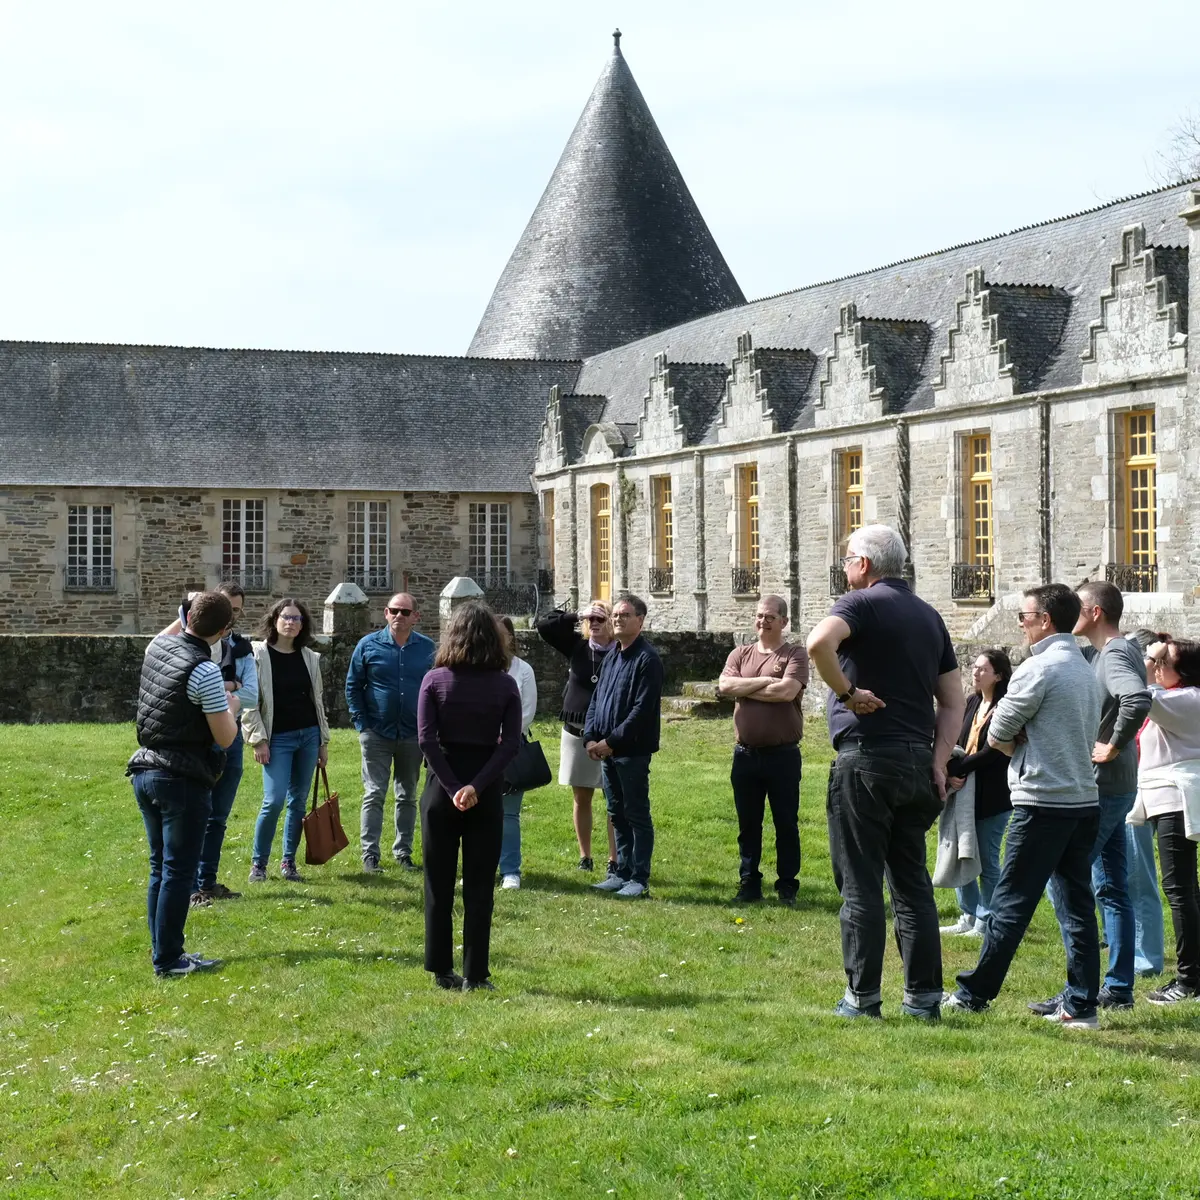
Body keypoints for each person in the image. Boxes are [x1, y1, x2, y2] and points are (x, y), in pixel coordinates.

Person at [806, 524, 963, 1021]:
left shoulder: (861, 605)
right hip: (917, 761)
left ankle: (862, 997)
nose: (845, 567)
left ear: (865, 565)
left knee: (860, 883)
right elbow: (954, 700)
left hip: (868, 758)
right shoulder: (929, 615)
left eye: (847, 558)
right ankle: (922, 1000)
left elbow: (817, 645)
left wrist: (849, 694)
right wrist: (939, 760)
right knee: (911, 884)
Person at [947, 584, 1103, 1028]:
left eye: (1024, 615)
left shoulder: (1038, 669)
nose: (1020, 622)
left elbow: (998, 734)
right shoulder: (1084, 668)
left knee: (1012, 902)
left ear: (1045, 620)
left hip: (1042, 802)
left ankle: (974, 995)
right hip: (1082, 800)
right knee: (1076, 905)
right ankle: (1081, 1004)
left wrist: (1021, 741)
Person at [1027, 581, 1149, 1015]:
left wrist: (1113, 744)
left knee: (1064, 882)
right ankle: (1117, 987)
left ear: (1095, 612)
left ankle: (1079, 989)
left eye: (1077, 607)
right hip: (1116, 786)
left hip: (1105, 785)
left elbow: (1136, 698)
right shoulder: (1110, 651)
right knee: (1111, 888)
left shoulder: (1114, 653)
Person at [127, 590, 240, 977]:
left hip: (145, 770)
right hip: (182, 778)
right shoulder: (205, 671)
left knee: (160, 867)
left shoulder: (157, 649)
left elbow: (173, 631)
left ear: (187, 617)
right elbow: (224, 738)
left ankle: (162, 951)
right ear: (226, 630)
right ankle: (170, 960)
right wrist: (234, 709)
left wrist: (190, 606)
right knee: (177, 872)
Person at [417, 600, 522, 991]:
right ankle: (475, 974)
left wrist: (452, 786)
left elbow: (426, 740)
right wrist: (475, 787)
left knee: (438, 881)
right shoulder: (505, 684)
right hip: (485, 785)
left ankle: (441, 968)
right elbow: (510, 744)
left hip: (441, 785)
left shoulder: (435, 680)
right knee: (480, 883)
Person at [151, 584, 259, 907]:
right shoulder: (191, 651)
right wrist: (230, 689)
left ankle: (206, 881)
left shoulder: (240, 649)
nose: (231, 615)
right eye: (225, 607)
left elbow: (254, 693)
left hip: (225, 741)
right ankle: (188, 890)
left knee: (217, 816)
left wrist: (230, 696)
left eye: (237, 610)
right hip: (196, 746)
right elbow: (157, 648)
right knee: (193, 817)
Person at [717, 594, 809, 906]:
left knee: (786, 823)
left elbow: (786, 692)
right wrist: (764, 680)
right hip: (745, 755)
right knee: (748, 824)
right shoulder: (740, 653)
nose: (763, 621)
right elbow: (725, 686)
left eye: (770, 616)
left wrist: (747, 687)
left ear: (784, 621)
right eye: (759, 616)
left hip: (782, 755)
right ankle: (749, 883)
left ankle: (787, 886)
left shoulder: (795, 653)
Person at [1129, 638, 1200, 1004]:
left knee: (1179, 890)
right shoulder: (1179, 697)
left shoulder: (1187, 699)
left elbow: (1141, 695)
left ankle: (1189, 980)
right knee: (1185, 889)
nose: (1156, 667)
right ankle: (1193, 975)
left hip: (1175, 801)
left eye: (1162, 661)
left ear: (1183, 670)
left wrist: (1144, 659)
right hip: (1168, 800)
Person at [345, 592, 436, 874]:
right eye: (394, 610)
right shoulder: (368, 645)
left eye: (405, 612)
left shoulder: (427, 649)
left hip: (412, 733)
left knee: (407, 795)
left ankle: (403, 852)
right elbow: (353, 686)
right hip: (377, 733)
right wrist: (362, 724)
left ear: (415, 617)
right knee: (374, 793)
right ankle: (370, 855)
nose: (399, 616)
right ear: (385, 613)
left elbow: (436, 690)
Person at [241, 598, 330, 883]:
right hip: (276, 739)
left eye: (297, 619)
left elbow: (318, 702)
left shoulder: (310, 658)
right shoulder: (258, 655)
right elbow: (249, 703)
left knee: (299, 802)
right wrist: (258, 740)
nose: (291, 623)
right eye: (286, 617)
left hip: (308, 736)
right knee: (274, 799)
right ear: (275, 619)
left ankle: (288, 862)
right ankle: (259, 864)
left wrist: (323, 742)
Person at [584, 594, 664, 899]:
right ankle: (620, 871)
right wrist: (590, 737)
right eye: (615, 615)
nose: (617, 619)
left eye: (625, 615)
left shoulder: (647, 659)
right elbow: (596, 700)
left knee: (636, 814)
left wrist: (610, 742)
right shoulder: (612, 656)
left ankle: (639, 878)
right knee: (615, 811)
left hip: (631, 751)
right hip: (606, 750)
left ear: (640, 621)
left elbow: (641, 712)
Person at [535, 601, 619, 873]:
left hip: (609, 736)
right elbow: (545, 625)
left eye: (600, 618)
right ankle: (585, 856)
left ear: (611, 621)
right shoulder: (577, 646)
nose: (594, 623)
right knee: (581, 798)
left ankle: (614, 859)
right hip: (576, 731)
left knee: (613, 800)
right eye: (590, 619)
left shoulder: (620, 652)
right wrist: (577, 613)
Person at [940, 649, 1013, 938]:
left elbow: (993, 752)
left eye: (983, 669)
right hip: (964, 792)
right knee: (960, 852)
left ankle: (988, 920)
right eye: (974, 667)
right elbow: (956, 739)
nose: (975, 672)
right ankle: (967, 915)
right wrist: (950, 770)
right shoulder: (971, 702)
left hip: (993, 795)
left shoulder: (1005, 706)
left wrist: (958, 769)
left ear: (998, 675)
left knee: (985, 857)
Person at [1124, 627, 1169, 976]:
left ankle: (1147, 957)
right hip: (1126, 789)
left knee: (1140, 877)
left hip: (1145, 792)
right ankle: (1122, 940)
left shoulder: (1161, 698)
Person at [497, 615, 538, 890]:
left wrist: (505, 735)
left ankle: (511, 870)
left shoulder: (523, 670)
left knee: (509, 813)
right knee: (480, 815)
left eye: (502, 634)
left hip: (511, 747)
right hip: (479, 747)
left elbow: (528, 710)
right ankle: (483, 866)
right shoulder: (478, 668)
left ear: (511, 637)